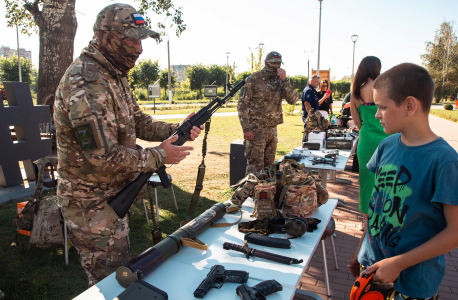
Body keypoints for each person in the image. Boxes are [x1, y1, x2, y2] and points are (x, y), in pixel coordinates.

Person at [53, 4, 203, 286]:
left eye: (141, 40)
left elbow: (138, 122)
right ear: (105, 36)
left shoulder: (113, 76)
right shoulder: (86, 83)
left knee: (119, 276)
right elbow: (103, 156)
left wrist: (177, 129)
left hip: (111, 200)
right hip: (91, 207)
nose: (139, 48)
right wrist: (160, 155)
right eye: (131, 40)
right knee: (110, 285)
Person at [348, 63, 458, 300]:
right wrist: (361, 249)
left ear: (409, 105)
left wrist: (398, 264)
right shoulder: (386, 146)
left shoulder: (444, 161)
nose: (376, 115)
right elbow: (377, 206)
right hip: (372, 271)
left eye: (382, 107)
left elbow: (455, 232)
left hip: (412, 285)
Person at [237, 51, 299, 174]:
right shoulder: (254, 78)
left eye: (279, 64)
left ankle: (264, 192)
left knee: (268, 168)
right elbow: (242, 104)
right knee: (255, 167)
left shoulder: (280, 81)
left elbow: (293, 100)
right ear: (266, 62)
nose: (277, 66)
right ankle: (249, 192)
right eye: (274, 63)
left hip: (272, 130)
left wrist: (285, 80)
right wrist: (246, 128)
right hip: (256, 130)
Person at [350, 56, 390, 231]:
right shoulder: (385, 88)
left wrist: (366, 127)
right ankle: (383, 217)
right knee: (387, 180)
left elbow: (357, 122)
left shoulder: (356, 92)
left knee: (366, 181)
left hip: (366, 140)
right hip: (387, 139)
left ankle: (366, 220)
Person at [301, 75, 320, 142]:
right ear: (311, 81)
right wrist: (311, 116)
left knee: (312, 135)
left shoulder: (313, 90)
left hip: (314, 116)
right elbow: (307, 104)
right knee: (308, 134)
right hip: (309, 116)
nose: (318, 84)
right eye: (316, 82)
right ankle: (304, 147)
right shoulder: (308, 90)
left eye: (318, 82)